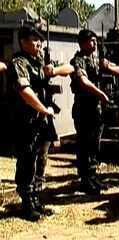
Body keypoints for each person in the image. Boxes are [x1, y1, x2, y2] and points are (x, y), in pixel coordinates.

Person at [7, 25, 74, 221]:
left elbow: (70, 68)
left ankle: (36, 197)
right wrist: (43, 110)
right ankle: (27, 202)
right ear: (23, 42)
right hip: (26, 121)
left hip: (42, 122)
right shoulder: (19, 63)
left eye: (40, 40)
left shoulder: (38, 62)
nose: (39, 44)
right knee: (27, 160)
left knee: (41, 158)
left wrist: (53, 70)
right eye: (35, 40)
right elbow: (25, 91)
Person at [70, 29, 119, 195]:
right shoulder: (78, 60)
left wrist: (107, 65)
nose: (94, 44)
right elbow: (83, 81)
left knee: (94, 144)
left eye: (95, 40)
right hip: (84, 109)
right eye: (91, 40)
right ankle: (85, 179)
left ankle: (92, 176)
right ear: (83, 42)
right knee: (84, 145)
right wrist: (100, 94)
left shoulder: (96, 59)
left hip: (97, 109)